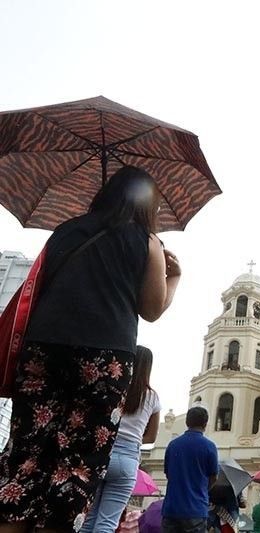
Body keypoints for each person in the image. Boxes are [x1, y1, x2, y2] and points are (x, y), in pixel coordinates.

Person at [0, 165, 180, 532]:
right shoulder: (147, 241)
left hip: (43, 351)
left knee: (26, 460)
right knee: (74, 469)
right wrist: (174, 277)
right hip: (103, 359)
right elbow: (152, 308)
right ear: (147, 205)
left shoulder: (66, 231)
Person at [82, 346, 162, 532]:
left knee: (88, 519)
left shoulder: (115, 387)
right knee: (107, 523)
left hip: (102, 453)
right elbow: (151, 437)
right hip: (127, 459)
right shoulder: (152, 397)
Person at [161, 407, 219, 533]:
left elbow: (168, 474)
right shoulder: (209, 446)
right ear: (205, 424)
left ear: (187, 422)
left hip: (172, 508)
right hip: (196, 509)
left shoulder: (173, 445)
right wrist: (202, 489)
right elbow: (214, 477)